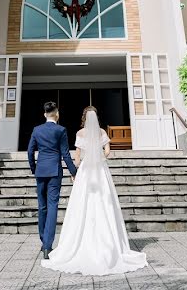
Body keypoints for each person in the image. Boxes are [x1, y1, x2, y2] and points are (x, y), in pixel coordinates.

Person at [41, 106, 147, 276]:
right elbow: (108, 152)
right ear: (96, 117)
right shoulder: (102, 132)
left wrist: (76, 172)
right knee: (105, 203)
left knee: (82, 204)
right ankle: (109, 243)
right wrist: (99, 159)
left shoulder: (80, 133)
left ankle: (80, 242)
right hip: (100, 171)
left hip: (85, 172)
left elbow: (76, 156)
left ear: (84, 117)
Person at [27, 101, 77, 260]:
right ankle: (48, 245)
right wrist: (74, 172)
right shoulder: (61, 130)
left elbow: (30, 151)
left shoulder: (37, 130)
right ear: (57, 114)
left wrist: (34, 168)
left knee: (42, 206)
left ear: (44, 114)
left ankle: (44, 241)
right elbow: (66, 154)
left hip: (41, 170)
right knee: (52, 205)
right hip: (55, 171)